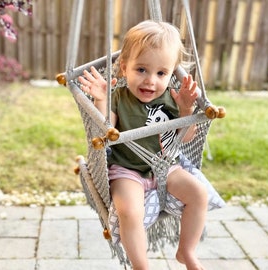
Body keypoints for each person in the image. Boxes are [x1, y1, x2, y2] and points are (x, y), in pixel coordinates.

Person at [78, 20, 208, 270]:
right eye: (141, 70)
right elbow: (106, 130)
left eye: (161, 73)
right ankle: (141, 266)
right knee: (129, 211)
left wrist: (185, 109)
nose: (150, 81)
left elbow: (187, 136)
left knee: (198, 194)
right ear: (124, 68)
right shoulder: (118, 97)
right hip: (127, 170)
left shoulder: (172, 98)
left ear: (171, 74)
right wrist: (101, 98)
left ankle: (187, 252)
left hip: (166, 166)